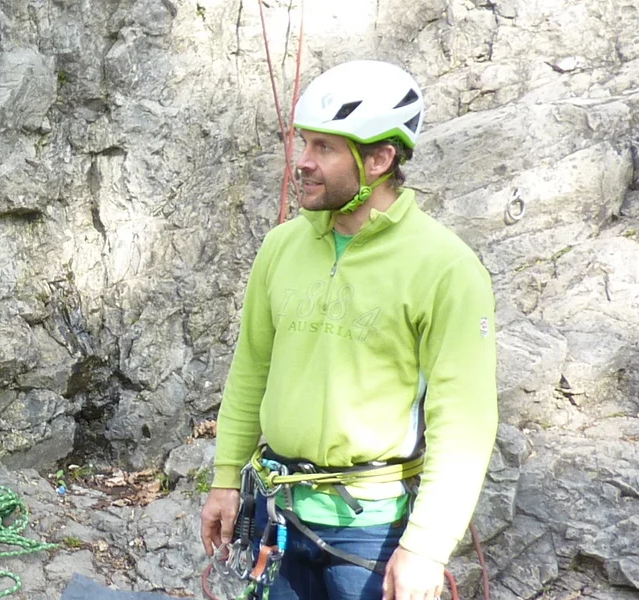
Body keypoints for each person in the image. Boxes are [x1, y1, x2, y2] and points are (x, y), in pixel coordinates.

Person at [197, 60, 500, 600]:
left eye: (325, 149)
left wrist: (426, 547)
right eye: (303, 143)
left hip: (373, 533)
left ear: (381, 158)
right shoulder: (282, 247)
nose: (303, 163)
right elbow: (251, 371)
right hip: (279, 514)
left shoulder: (445, 268)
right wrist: (225, 479)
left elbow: (465, 421)